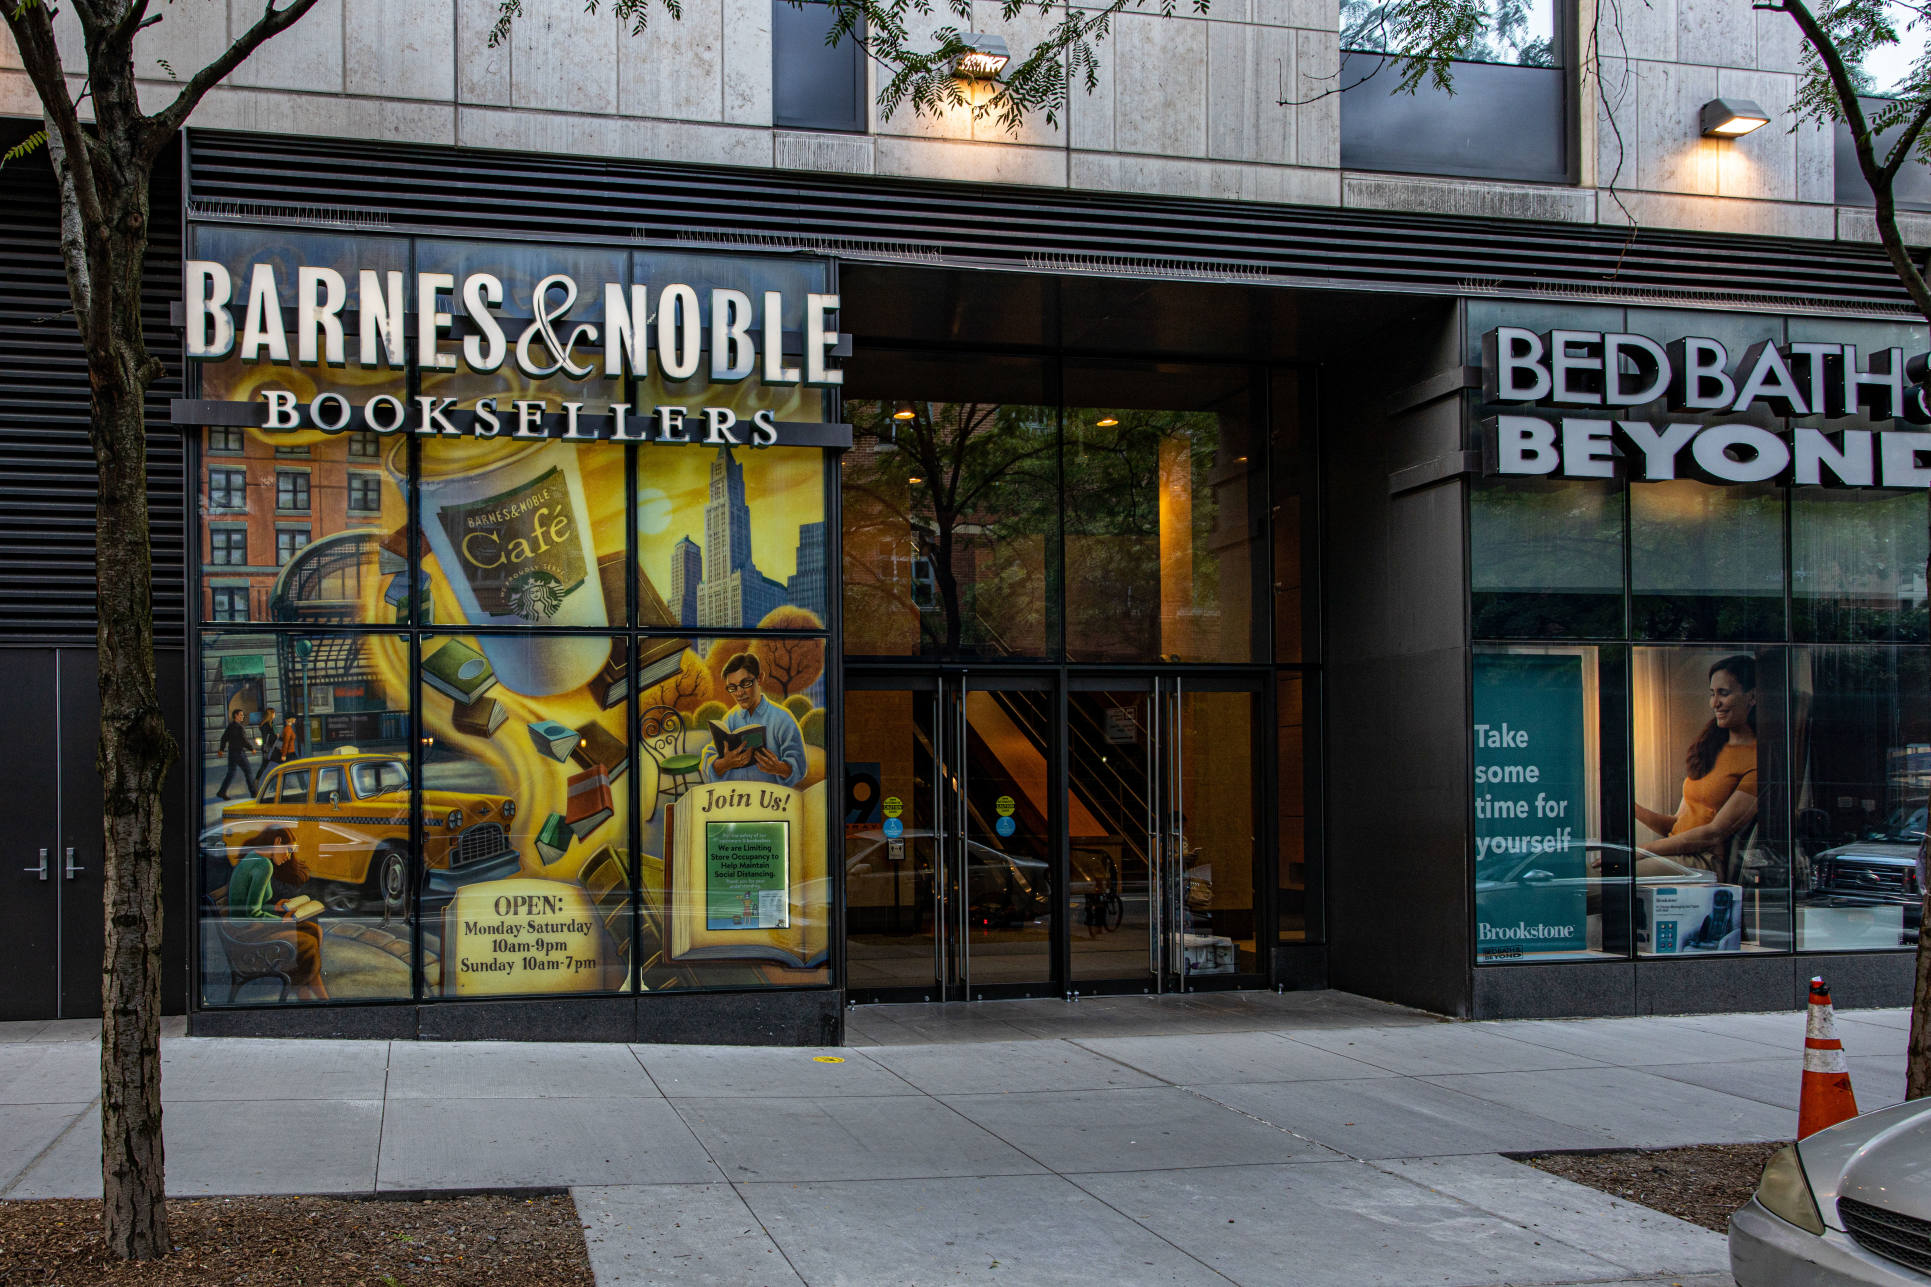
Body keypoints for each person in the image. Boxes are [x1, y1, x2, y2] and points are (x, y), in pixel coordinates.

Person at [1636, 654, 1759, 881]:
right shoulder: (1712, 746)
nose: (1714, 703)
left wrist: (1643, 851)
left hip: (1703, 862)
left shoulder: (1755, 759)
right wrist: (1631, 808)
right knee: (1589, 873)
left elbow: (1714, 833)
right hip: (1676, 855)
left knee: (1598, 879)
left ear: (1752, 697)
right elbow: (1677, 825)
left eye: (1724, 693)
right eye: (1712, 694)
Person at [225, 825, 328, 1000]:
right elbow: (252, 913)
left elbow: (250, 906)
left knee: (313, 930)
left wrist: (275, 908)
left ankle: (308, 992)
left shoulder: (254, 857)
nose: (289, 857)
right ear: (277, 842)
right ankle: (312, 995)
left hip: (244, 926)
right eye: (289, 850)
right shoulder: (264, 865)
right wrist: (281, 921)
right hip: (246, 932)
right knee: (307, 942)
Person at [701, 653, 806, 787]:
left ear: (760, 679)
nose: (739, 693)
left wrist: (779, 768)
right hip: (736, 796)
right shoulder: (730, 719)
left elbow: (799, 767)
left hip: (770, 796)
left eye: (745, 683)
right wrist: (723, 764)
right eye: (732, 688)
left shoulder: (782, 718)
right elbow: (709, 756)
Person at [215, 708, 258, 800]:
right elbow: (244, 740)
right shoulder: (239, 727)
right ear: (236, 716)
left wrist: (221, 750)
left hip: (231, 753)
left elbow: (224, 738)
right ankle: (254, 793)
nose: (243, 716)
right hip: (239, 753)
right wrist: (252, 749)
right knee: (248, 772)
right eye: (241, 715)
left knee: (231, 773)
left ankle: (221, 792)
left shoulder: (230, 726)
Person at [258, 706, 280, 774]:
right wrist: (276, 736)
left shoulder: (272, 724)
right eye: (274, 713)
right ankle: (258, 779)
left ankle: (258, 778)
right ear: (271, 714)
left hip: (272, 746)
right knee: (265, 765)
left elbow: (276, 734)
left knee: (266, 765)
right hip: (268, 747)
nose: (275, 714)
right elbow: (267, 737)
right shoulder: (266, 725)